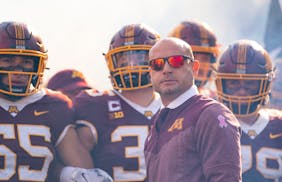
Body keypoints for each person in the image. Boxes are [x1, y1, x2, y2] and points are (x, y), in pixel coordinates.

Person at [0, 21, 112, 182]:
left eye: (26, 62)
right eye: (8, 61)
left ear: (38, 65)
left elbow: (83, 169)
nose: (18, 71)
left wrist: (72, 174)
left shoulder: (54, 105)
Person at [144, 37, 242, 182]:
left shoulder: (211, 115)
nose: (166, 69)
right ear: (150, 73)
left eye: (176, 61)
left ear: (194, 68)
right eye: (157, 64)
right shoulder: (159, 119)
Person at [73, 23, 162, 181]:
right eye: (124, 58)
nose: (131, 64)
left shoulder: (175, 104)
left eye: (140, 56)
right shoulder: (96, 104)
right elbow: (71, 158)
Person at [214, 39, 282, 181]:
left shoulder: (278, 125)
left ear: (267, 84)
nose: (242, 91)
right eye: (233, 83)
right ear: (221, 83)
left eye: (250, 83)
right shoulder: (208, 123)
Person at [168, 20, 220, 97]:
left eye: (205, 59)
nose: (199, 66)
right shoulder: (157, 102)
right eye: (193, 57)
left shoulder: (216, 101)